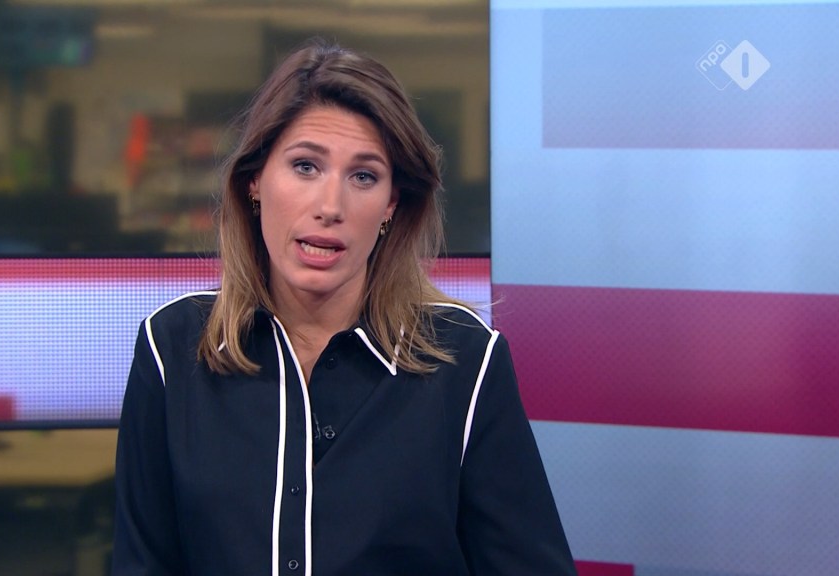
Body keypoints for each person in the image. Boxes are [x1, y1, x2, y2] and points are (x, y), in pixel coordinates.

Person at [113, 40, 576, 576]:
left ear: (391, 204)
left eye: (363, 177)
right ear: (255, 180)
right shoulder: (172, 348)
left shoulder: (466, 362)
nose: (330, 206)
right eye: (305, 166)